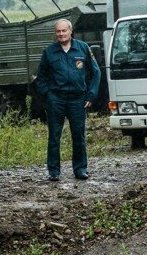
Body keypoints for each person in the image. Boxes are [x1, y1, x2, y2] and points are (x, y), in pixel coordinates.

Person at [34, 19, 101, 181]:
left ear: (71, 31)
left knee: (78, 135)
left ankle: (80, 169)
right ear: (55, 33)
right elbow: (40, 78)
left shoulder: (83, 48)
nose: (61, 34)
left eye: (64, 31)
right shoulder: (49, 52)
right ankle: (54, 171)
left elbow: (96, 72)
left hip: (78, 100)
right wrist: (49, 96)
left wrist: (91, 94)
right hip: (56, 100)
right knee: (54, 136)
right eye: (58, 31)